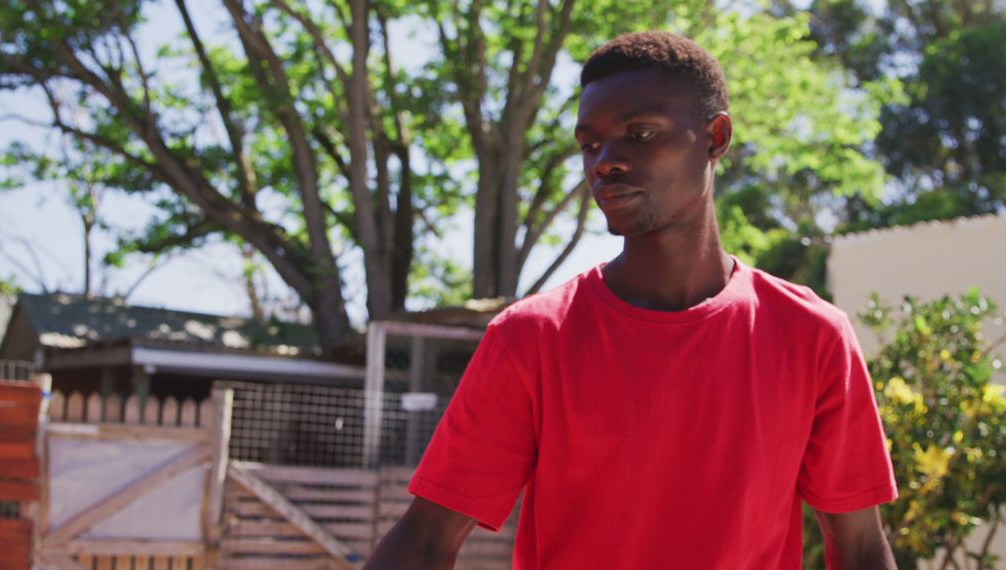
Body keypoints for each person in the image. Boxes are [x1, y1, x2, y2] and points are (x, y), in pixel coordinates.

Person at [364, 31, 898, 569]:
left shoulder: (810, 335)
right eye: (589, 144)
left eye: (639, 134)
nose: (604, 162)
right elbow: (426, 541)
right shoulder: (531, 339)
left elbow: (859, 550)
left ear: (716, 138)